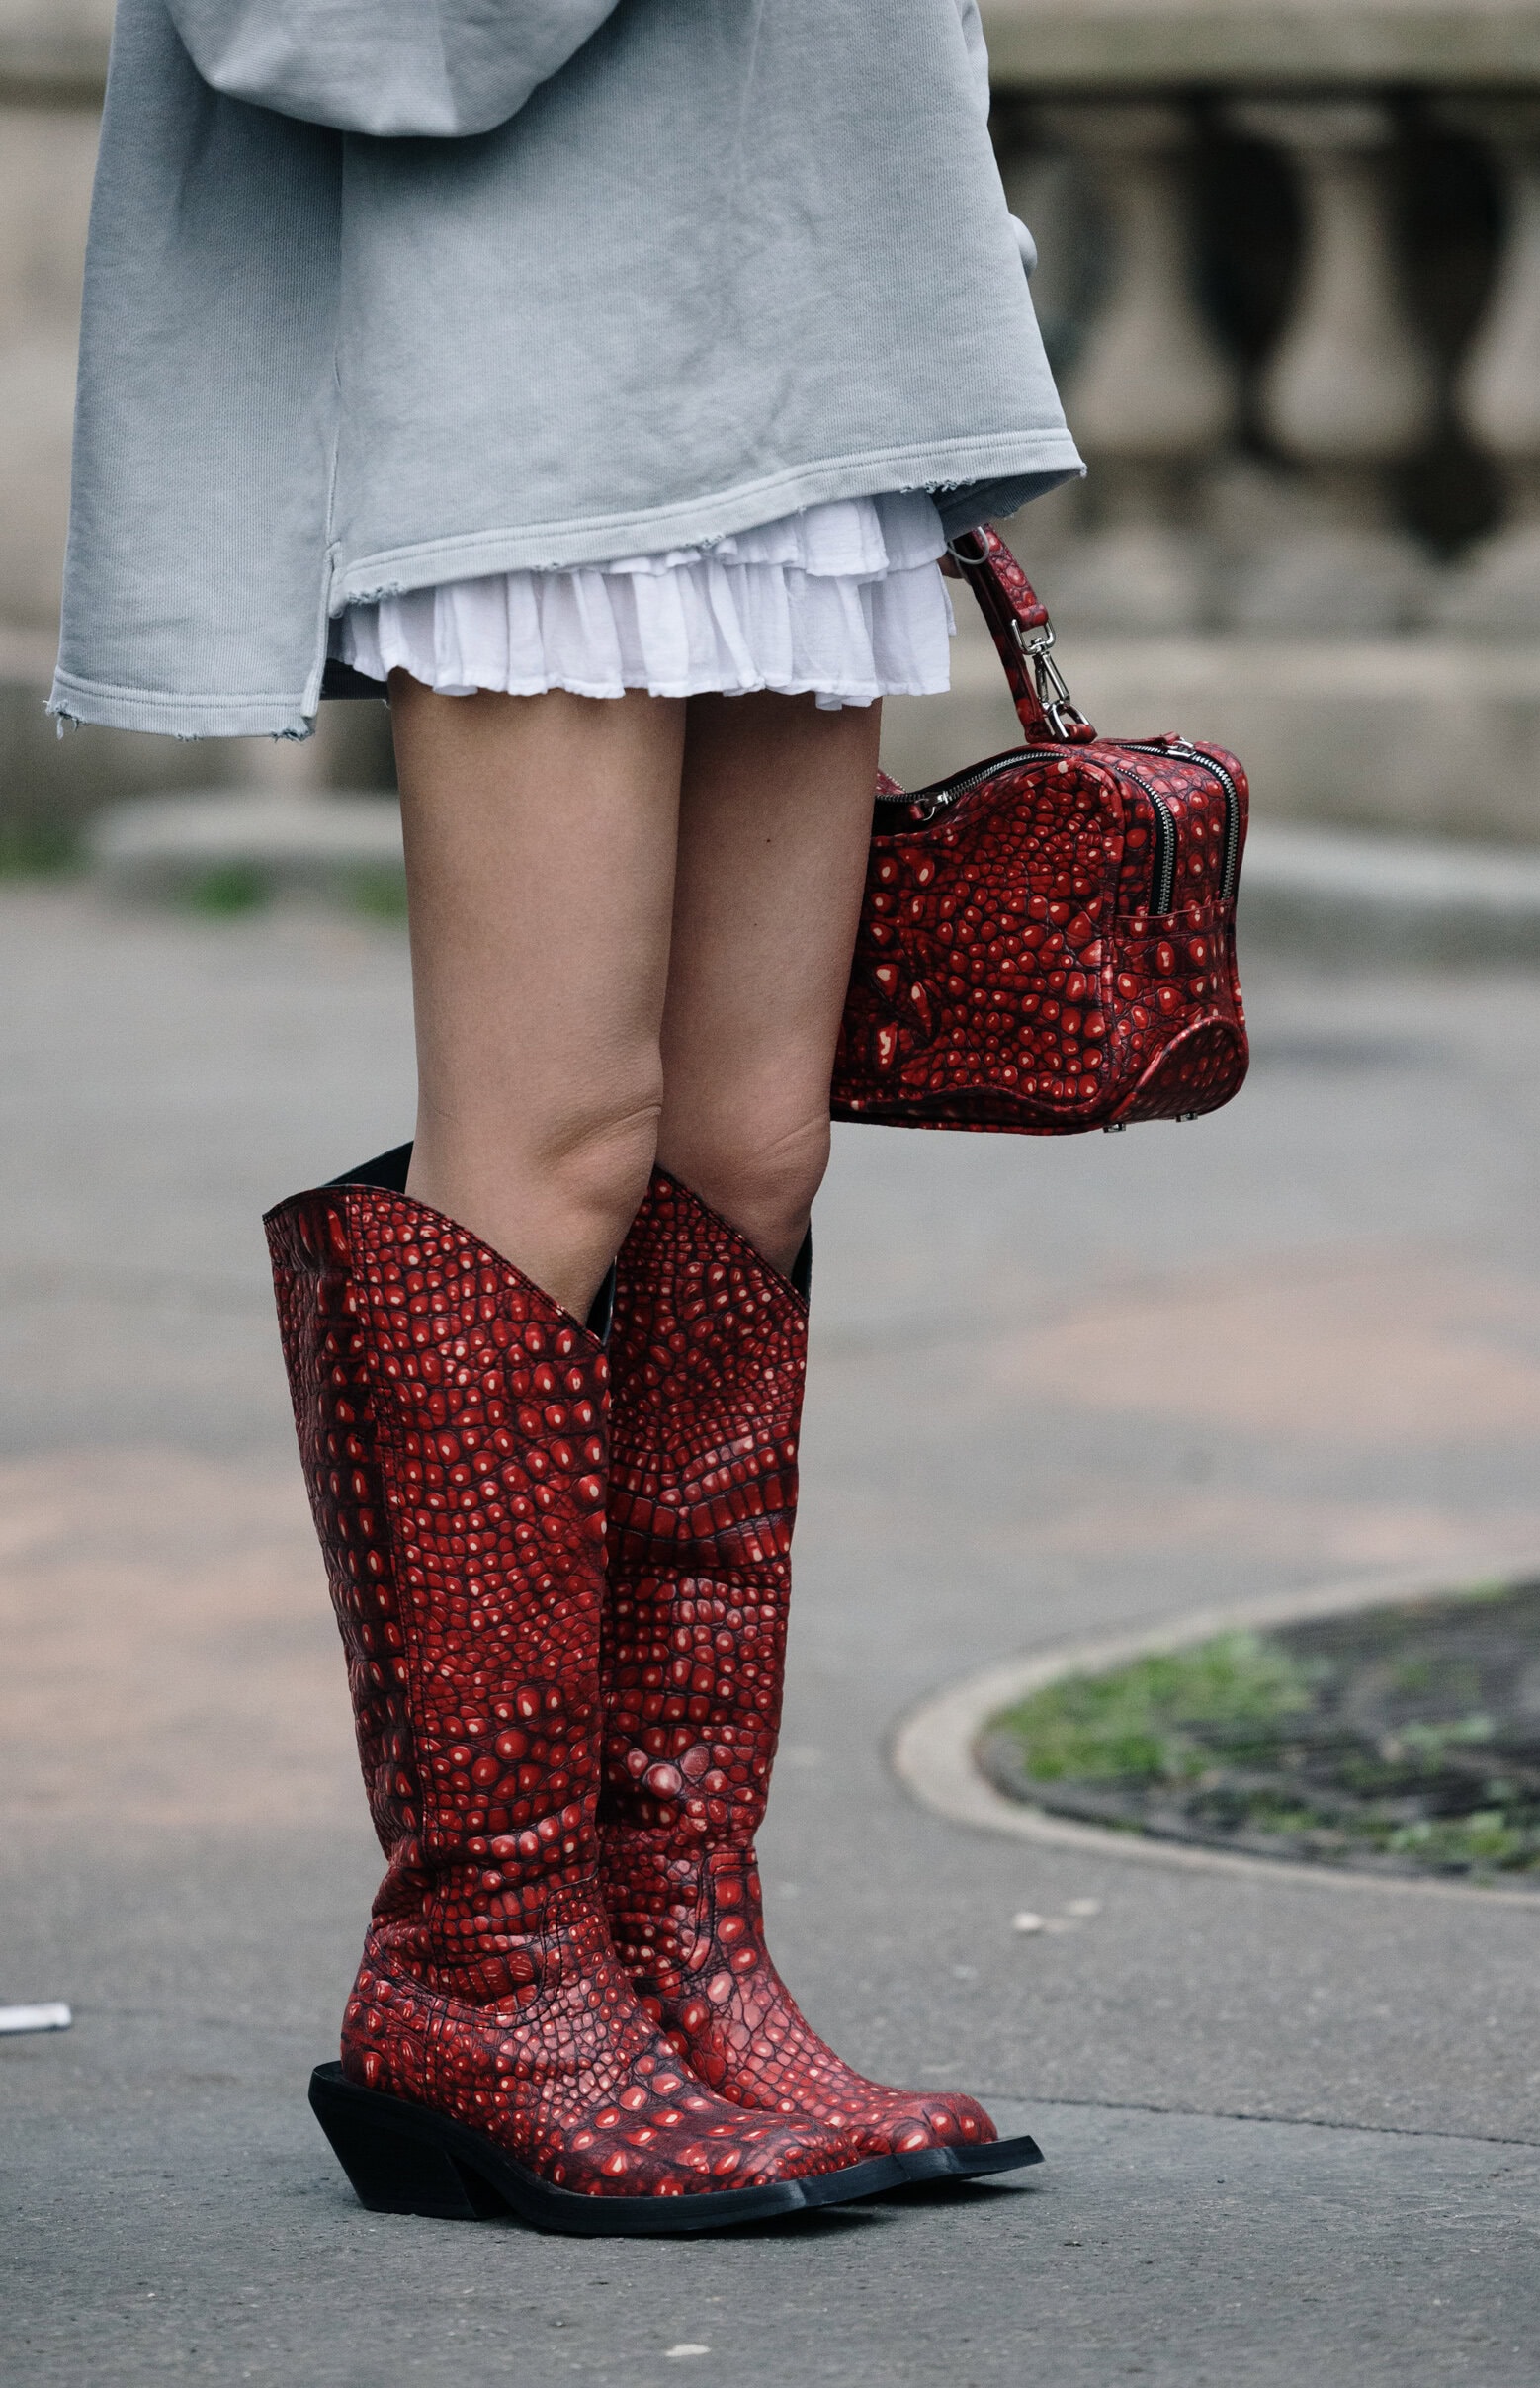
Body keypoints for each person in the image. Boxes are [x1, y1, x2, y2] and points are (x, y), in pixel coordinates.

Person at [53, 0, 1079, 2233]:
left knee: (751, 1146)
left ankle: (680, 1945)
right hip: (536, 353)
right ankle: (484, 1965)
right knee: (560, 1143)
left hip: (822, 340)